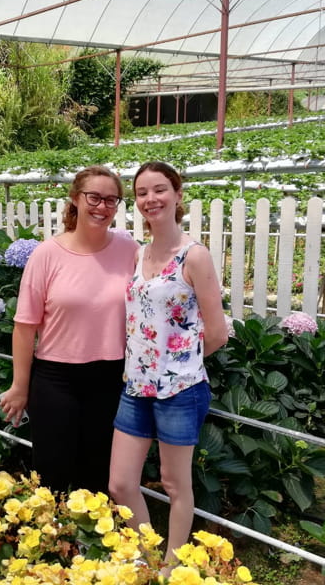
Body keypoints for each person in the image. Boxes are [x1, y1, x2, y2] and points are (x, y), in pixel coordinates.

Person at [108, 161, 228, 569]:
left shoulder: (194, 257)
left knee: (176, 485)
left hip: (180, 391)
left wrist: (179, 365)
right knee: (121, 483)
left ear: (177, 194)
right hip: (135, 388)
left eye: (159, 190)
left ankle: (172, 568)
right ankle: (147, 555)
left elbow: (218, 333)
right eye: (142, 193)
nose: (150, 199)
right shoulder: (140, 253)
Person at [0, 165, 139, 494]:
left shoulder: (128, 249)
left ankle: (90, 543)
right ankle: (49, 541)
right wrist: (20, 386)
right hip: (55, 380)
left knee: (98, 473)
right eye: (94, 197)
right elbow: (24, 327)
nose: (102, 207)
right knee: (52, 473)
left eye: (111, 200)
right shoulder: (47, 254)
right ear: (75, 199)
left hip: (108, 378)